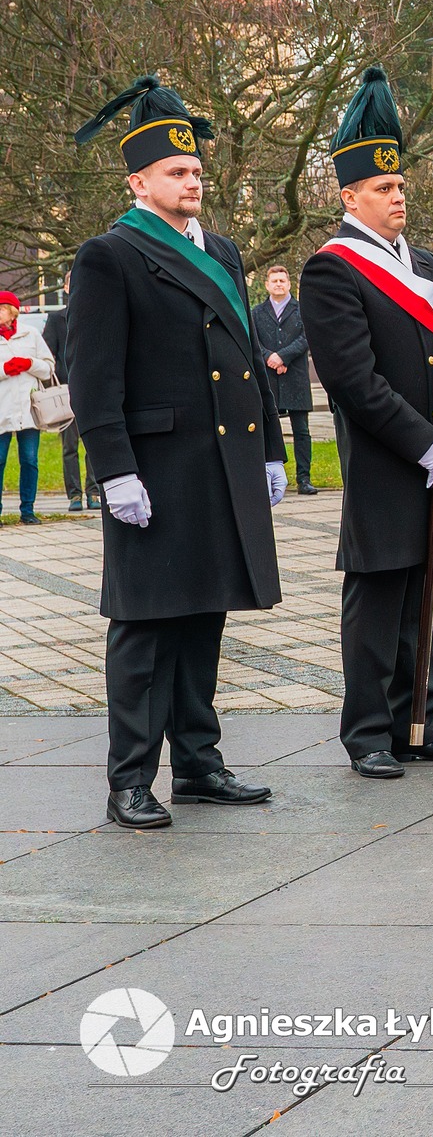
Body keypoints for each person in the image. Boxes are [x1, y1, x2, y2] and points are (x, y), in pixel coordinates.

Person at [68, 74, 287, 828]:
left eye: (196, 170)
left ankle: (198, 763)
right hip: (155, 472)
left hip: (220, 466)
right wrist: (115, 471)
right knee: (144, 628)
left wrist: (271, 447)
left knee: (204, 619)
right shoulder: (110, 255)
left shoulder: (221, 250)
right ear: (138, 182)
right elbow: (94, 380)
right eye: (176, 172)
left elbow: (247, 358)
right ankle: (130, 779)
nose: (193, 181)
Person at [300, 68, 433, 777]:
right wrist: (421, 444)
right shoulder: (331, 270)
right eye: (384, 188)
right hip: (389, 460)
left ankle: (422, 718)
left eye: (402, 186)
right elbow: (353, 381)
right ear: (350, 197)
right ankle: (368, 732)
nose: (399, 196)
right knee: (379, 601)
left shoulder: (429, 265)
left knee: (428, 597)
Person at [252, 264, 318, 495]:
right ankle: (268, 478)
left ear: (289, 284)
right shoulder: (256, 313)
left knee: (301, 431)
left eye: (282, 280)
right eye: (274, 280)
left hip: (295, 377)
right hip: (268, 378)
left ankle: (304, 479)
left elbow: (307, 338)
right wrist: (270, 357)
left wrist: (283, 357)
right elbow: (253, 340)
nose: (278, 284)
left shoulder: (302, 310)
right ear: (267, 285)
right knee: (268, 429)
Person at [41, 271, 103, 512]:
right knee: (69, 447)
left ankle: (94, 491)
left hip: (93, 391)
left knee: (94, 444)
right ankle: (74, 494)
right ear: (66, 288)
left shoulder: (96, 316)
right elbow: (48, 355)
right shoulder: (57, 319)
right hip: (66, 392)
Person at [0, 290, 55, 524]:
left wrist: (29, 363)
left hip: (29, 409)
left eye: (2, 308)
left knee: (30, 461)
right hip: (2, 409)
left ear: (12, 312)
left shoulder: (30, 334)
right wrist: (5, 369)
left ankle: (28, 510)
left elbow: (49, 368)